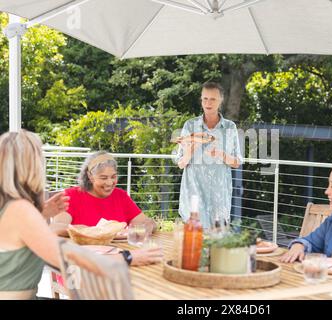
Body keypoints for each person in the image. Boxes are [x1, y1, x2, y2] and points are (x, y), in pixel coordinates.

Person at [0, 130, 162, 299]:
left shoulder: (11, 206)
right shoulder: (20, 210)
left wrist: (39, 214)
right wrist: (127, 257)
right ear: (31, 167)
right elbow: (69, 257)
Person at [175, 82, 243, 229]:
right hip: (193, 195)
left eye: (212, 99)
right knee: (195, 243)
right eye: (205, 99)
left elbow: (236, 162)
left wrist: (219, 153)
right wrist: (190, 151)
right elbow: (180, 163)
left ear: (221, 101)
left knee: (217, 243)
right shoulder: (190, 126)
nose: (208, 103)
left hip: (219, 197)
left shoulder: (230, 127)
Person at [51, 151, 157, 236]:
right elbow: (57, 227)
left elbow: (148, 223)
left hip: (121, 254)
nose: (110, 183)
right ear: (90, 176)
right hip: (85, 256)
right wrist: (92, 231)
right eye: (103, 178)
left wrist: (148, 227)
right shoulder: (71, 196)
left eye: (113, 177)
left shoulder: (121, 196)